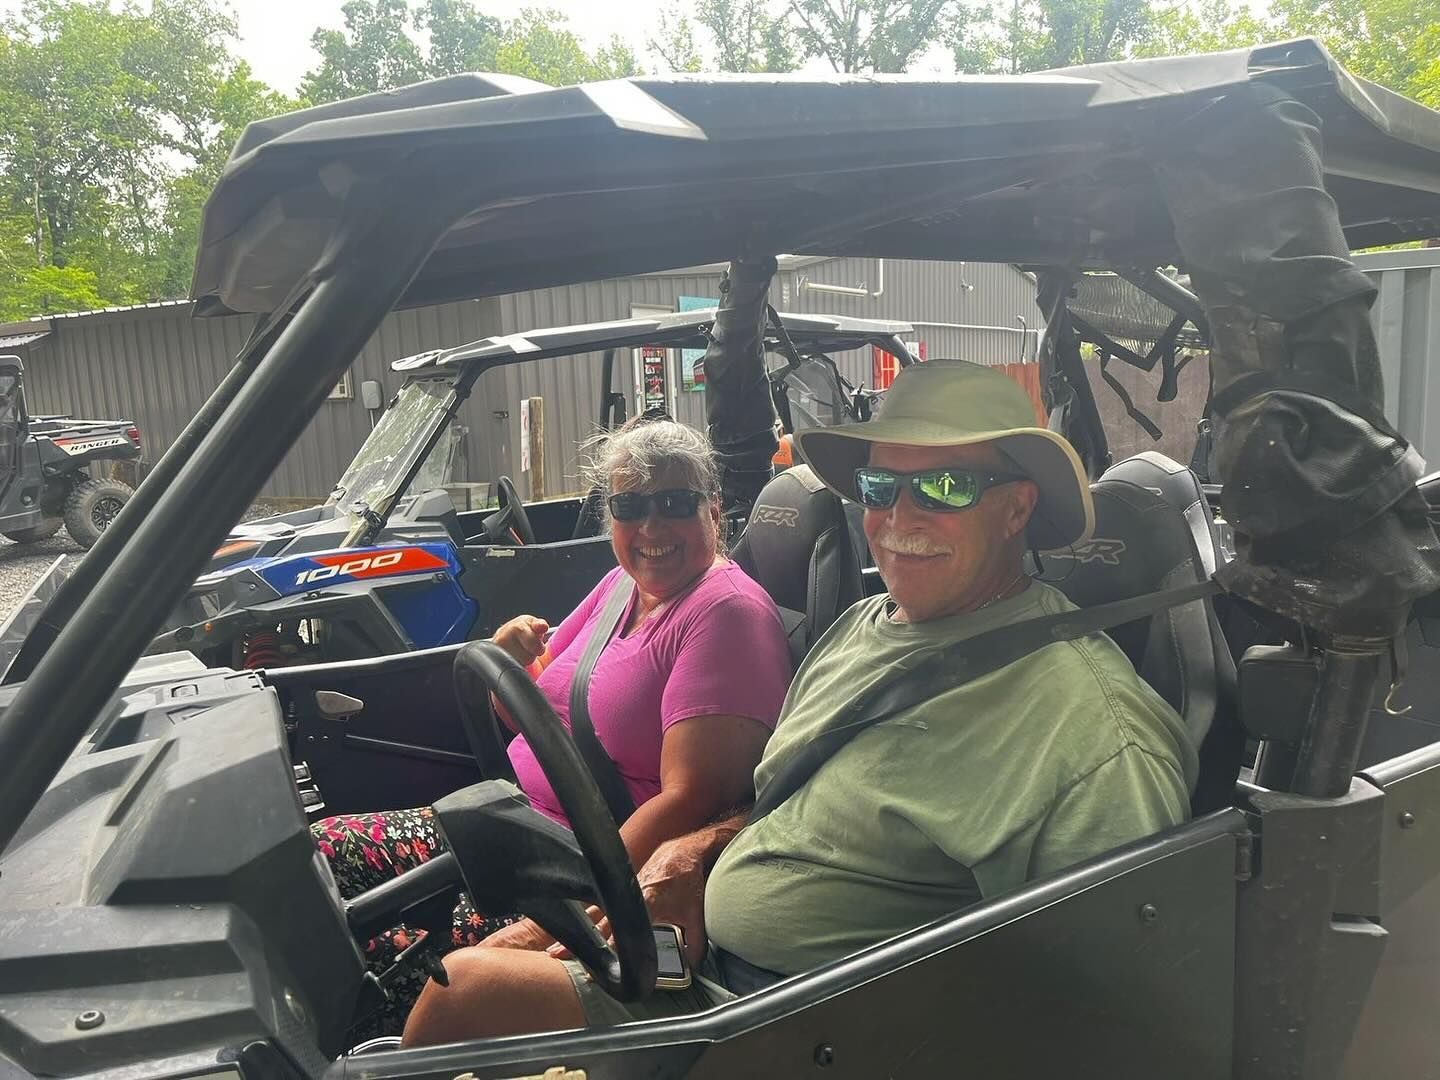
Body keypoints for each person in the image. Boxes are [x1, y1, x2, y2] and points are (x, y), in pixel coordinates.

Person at [402, 359, 1199, 1047]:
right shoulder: (866, 625)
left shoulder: (1095, 736)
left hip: (794, 1028)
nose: (900, 520)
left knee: (461, 994)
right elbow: (783, 798)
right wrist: (699, 853)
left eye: (947, 486)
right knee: (458, 973)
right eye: (883, 486)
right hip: (706, 952)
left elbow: (1100, 1018)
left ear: (1017, 508)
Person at [317, 417, 793, 1036]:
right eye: (630, 506)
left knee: (376, 962)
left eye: (675, 504)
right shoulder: (620, 586)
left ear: (715, 510)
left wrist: (563, 915)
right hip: (512, 831)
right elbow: (532, 705)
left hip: (573, 871)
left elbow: (689, 803)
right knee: (319, 859)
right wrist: (514, 656)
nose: (650, 527)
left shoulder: (723, 613)